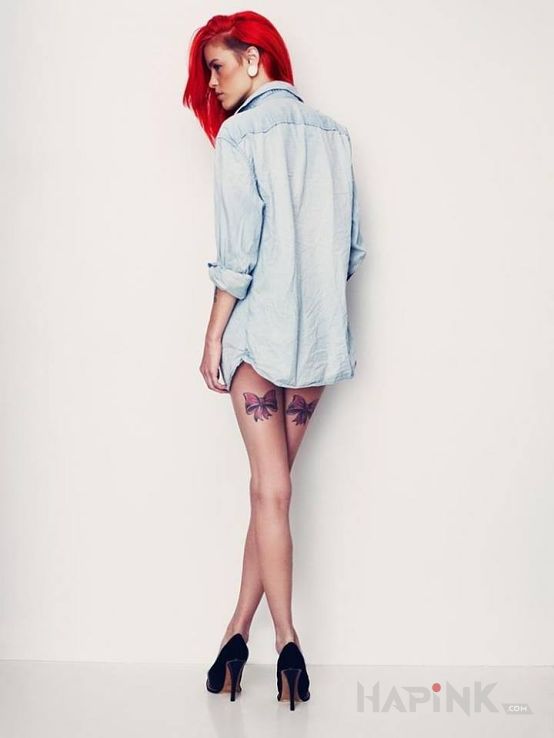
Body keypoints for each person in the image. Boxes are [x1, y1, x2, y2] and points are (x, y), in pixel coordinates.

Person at [183, 10, 366, 709]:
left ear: (256, 59)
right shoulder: (334, 136)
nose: (212, 83)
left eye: (218, 66)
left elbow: (238, 258)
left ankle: (286, 639)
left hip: (259, 338)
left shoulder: (241, 136)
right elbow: (351, 251)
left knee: (269, 491)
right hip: (316, 341)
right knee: (277, 491)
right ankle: (238, 634)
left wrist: (211, 338)